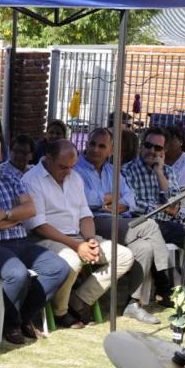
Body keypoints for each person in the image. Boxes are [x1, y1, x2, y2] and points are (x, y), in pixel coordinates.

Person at [0, 131, 70, 344]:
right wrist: (16, 216)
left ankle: (22, 317)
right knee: (17, 274)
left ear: (2, 155)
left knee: (59, 268)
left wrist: (4, 214)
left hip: (20, 242)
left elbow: (31, 209)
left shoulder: (11, 178)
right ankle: (10, 324)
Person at [22, 140, 134, 328]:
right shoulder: (31, 180)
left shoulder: (75, 177)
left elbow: (85, 215)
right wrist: (77, 246)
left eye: (72, 167)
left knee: (124, 255)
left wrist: (90, 240)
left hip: (77, 237)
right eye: (63, 167)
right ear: (48, 158)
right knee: (72, 260)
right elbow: (39, 226)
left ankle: (80, 299)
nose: (68, 171)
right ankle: (61, 312)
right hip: (44, 239)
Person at [74, 128, 172, 324]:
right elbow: (85, 200)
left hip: (116, 219)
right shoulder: (76, 168)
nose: (95, 149)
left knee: (143, 248)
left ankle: (132, 304)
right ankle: (171, 286)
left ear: (111, 149)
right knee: (150, 225)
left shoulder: (112, 171)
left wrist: (112, 202)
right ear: (86, 144)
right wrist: (110, 199)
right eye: (92, 144)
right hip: (91, 222)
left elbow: (131, 199)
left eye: (102, 146)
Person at [122, 126, 185, 300]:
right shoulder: (127, 170)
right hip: (143, 224)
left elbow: (176, 205)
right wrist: (160, 208)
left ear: (164, 151)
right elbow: (131, 204)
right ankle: (182, 289)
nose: (152, 151)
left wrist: (160, 173)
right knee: (161, 232)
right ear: (141, 146)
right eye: (148, 145)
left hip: (170, 225)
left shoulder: (167, 171)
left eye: (158, 148)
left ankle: (184, 286)